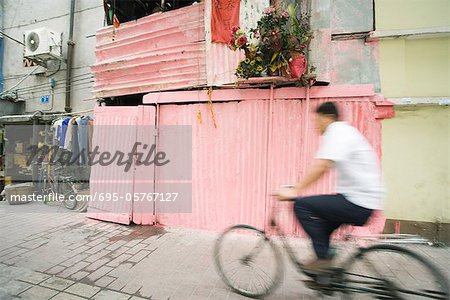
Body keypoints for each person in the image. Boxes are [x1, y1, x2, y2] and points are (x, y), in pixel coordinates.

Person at [276, 101, 385, 271]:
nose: (315, 126)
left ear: (327, 118)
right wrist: (297, 186)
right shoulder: (346, 132)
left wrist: (295, 191)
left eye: (316, 120)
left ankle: (323, 261)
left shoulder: (337, 132)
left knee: (302, 205)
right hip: (361, 201)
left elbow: (322, 166)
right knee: (322, 229)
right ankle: (326, 277)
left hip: (358, 203)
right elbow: (323, 168)